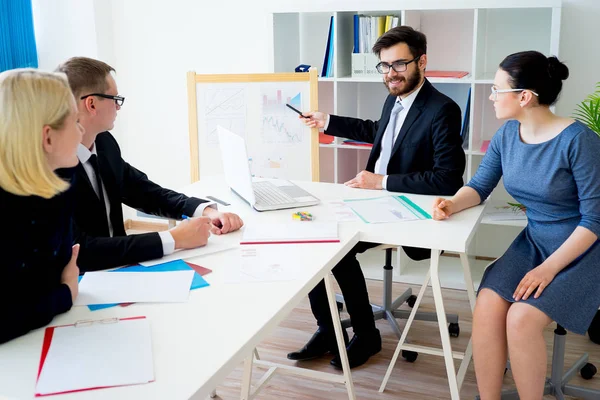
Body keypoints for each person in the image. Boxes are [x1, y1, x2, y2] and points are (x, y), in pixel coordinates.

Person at [287, 26, 465, 369]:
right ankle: (329, 329)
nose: (391, 74)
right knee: (316, 236)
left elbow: (448, 178)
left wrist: (381, 182)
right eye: (384, 66)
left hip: (409, 207)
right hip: (376, 200)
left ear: (422, 62)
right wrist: (329, 122)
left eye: (399, 64)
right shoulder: (394, 98)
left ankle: (367, 336)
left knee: (337, 252)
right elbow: (380, 132)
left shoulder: (443, 109)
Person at [432, 51, 600, 399]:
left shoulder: (579, 142)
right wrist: (452, 203)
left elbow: (595, 219)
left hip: (582, 249)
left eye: (497, 89)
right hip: (535, 241)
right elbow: (479, 187)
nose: (491, 96)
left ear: (524, 96)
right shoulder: (508, 134)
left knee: (522, 318)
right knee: (489, 306)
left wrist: (547, 270)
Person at [56, 57, 244, 271]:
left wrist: (205, 211)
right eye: (115, 99)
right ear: (91, 104)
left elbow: (144, 191)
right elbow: (80, 249)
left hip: (123, 269)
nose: (118, 107)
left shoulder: (104, 142)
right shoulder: (51, 166)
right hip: (82, 284)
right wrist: (173, 239)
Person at [0, 69, 84, 344]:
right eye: (75, 121)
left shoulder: (60, 181)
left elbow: (58, 271)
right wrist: (65, 294)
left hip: (44, 340)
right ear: (47, 137)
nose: (81, 131)